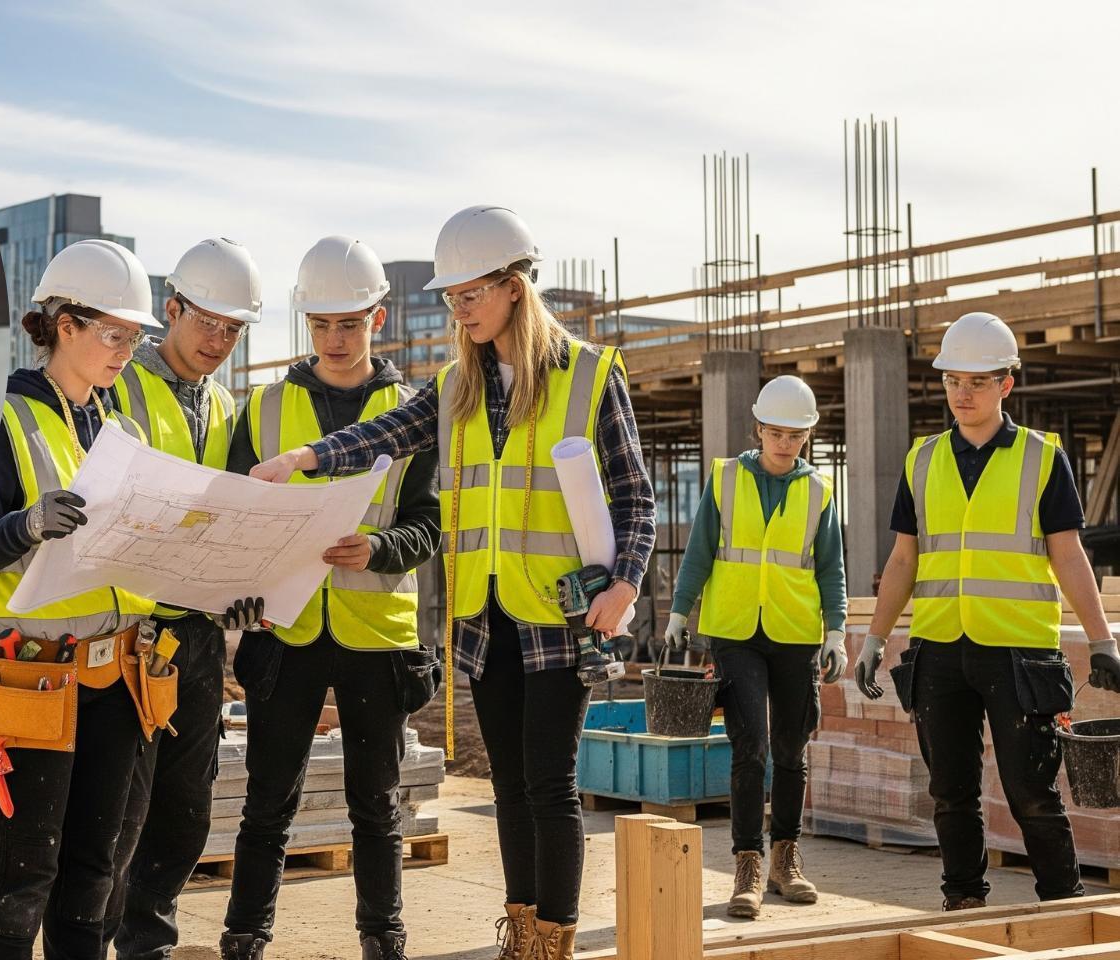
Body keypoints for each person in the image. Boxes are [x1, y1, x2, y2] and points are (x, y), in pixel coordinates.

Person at [252, 206, 656, 960]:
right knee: (508, 787)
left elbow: (636, 495)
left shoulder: (590, 374)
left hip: (561, 613)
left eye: (469, 294)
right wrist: (304, 458)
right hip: (482, 615)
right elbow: (384, 435)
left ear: (512, 286)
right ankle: (521, 929)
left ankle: (552, 944)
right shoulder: (456, 384)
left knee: (550, 786)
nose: (459, 309)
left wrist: (624, 585)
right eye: (452, 298)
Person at [0, 238, 168, 960]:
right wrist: (28, 524)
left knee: (95, 878)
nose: (125, 352)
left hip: (115, 679)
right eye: (112, 333)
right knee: (22, 877)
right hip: (29, 680)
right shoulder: (0, 422)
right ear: (62, 324)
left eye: (134, 337)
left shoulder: (121, 431)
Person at [220, 236, 440, 960]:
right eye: (321, 324)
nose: (336, 339)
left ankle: (383, 936)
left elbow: (429, 524)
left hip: (375, 633)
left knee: (375, 805)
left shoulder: (412, 414)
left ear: (378, 319)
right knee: (267, 802)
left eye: (350, 323)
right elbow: (234, 515)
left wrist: (378, 548)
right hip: (283, 633)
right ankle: (245, 935)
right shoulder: (265, 409)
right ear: (305, 323)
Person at [856, 311, 1120, 911]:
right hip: (940, 649)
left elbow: (1069, 554)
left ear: (1006, 384)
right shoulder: (920, 461)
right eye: (953, 380)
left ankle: (1062, 908)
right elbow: (903, 560)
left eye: (977, 381)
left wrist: (1102, 640)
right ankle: (964, 905)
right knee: (951, 793)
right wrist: (874, 639)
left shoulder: (1040, 458)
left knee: (1032, 794)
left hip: (1020, 651)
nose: (963, 393)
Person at [105, 237, 262, 960]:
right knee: (117, 817)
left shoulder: (228, 404)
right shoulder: (120, 386)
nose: (220, 342)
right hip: (132, 634)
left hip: (197, 638)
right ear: (171, 309)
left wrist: (239, 588)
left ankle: (149, 946)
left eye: (234, 330)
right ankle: (93, 942)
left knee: (184, 812)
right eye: (208, 323)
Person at [664, 374, 846, 919]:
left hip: (795, 632)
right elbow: (699, 551)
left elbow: (830, 566)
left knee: (792, 750)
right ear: (758, 429)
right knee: (751, 749)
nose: (784, 443)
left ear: (806, 437)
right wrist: (679, 611)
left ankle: (785, 860)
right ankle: (747, 863)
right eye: (775, 432)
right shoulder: (723, 479)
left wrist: (835, 630)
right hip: (736, 631)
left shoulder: (819, 491)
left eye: (795, 435)